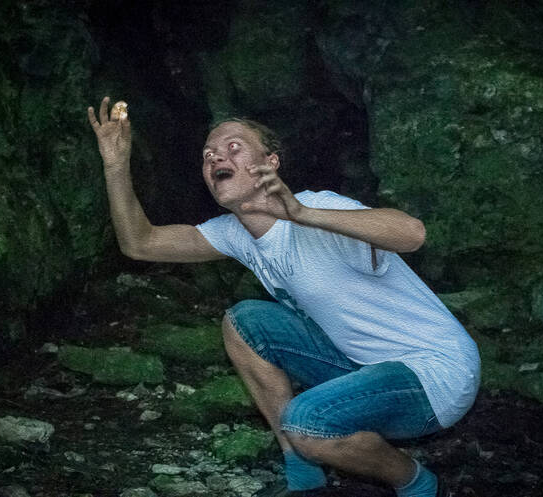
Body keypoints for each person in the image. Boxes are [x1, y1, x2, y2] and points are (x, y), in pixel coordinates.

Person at [88, 96, 480, 497]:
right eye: (208, 155)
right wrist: (116, 165)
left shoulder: (318, 208)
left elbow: (413, 234)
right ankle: (301, 466)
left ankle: (414, 480)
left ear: (271, 162)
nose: (216, 157)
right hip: (361, 366)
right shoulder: (235, 232)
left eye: (233, 147)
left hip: (436, 374)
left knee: (306, 423)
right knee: (245, 322)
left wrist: (301, 213)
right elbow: (140, 243)